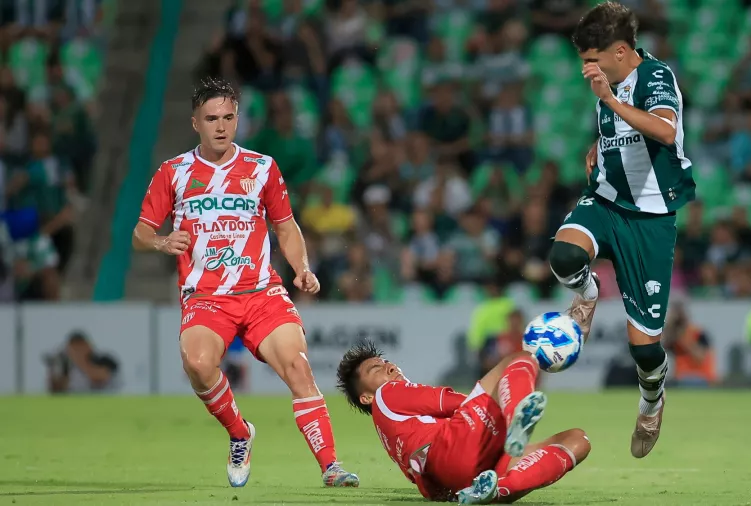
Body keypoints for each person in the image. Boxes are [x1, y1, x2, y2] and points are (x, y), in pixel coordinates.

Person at [131, 77, 359, 489]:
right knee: (198, 365)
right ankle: (240, 432)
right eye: (212, 118)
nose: (221, 126)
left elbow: (285, 227)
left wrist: (302, 267)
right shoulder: (174, 172)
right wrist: (164, 241)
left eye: (229, 117)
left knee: (298, 366)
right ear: (195, 122)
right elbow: (141, 233)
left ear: (238, 119)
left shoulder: (262, 167)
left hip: (261, 293)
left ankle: (331, 466)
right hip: (206, 296)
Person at [550, 2, 695, 458]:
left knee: (644, 350)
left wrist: (610, 102)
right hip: (607, 199)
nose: (585, 68)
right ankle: (588, 295)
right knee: (564, 257)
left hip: (649, 218)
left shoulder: (655, 77)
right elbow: (625, 130)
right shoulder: (607, 81)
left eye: (591, 58)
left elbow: (666, 133)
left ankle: (652, 400)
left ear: (619, 50)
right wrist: (601, 143)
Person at [336, 341, 591, 505]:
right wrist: (504, 394)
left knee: (577, 440)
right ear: (366, 397)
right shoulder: (387, 394)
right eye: (375, 369)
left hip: (458, 478)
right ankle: (515, 421)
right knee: (521, 358)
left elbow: (424, 478)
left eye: (385, 361)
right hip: (455, 444)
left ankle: (496, 489)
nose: (388, 367)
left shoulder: (395, 429)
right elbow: (461, 402)